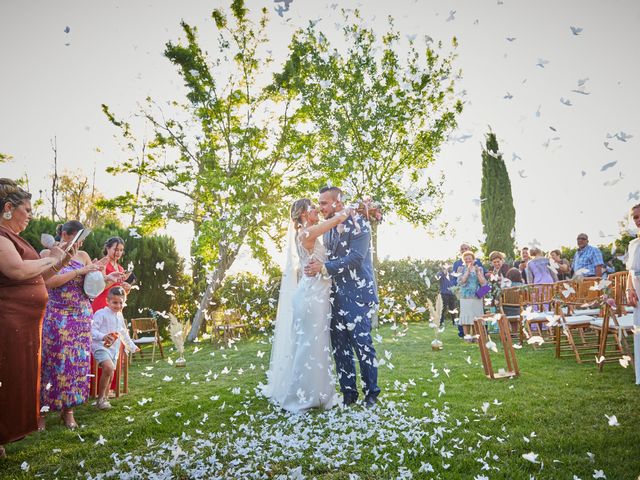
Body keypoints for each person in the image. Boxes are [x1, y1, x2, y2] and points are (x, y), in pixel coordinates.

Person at [0, 178, 73, 458]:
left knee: (15, 381)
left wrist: (62, 261)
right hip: (8, 322)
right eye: (27, 210)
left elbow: (39, 277)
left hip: (25, 326)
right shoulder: (1, 237)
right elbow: (16, 270)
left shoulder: (16, 239)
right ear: (8, 208)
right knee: (5, 380)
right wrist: (51, 258)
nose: (30, 215)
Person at [263, 199, 350, 412]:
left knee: (317, 345)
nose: (316, 210)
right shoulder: (305, 233)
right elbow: (331, 223)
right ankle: (301, 396)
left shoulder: (307, 233)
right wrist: (342, 214)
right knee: (309, 345)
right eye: (312, 207)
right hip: (312, 297)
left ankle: (319, 394)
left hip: (316, 295)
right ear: (302, 213)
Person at [39, 221, 119, 430]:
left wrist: (108, 280)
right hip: (58, 316)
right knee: (53, 364)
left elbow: (92, 288)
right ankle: (42, 413)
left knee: (75, 366)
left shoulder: (82, 255)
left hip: (81, 317)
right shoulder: (47, 253)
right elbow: (49, 282)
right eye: (78, 238)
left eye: (82, 239)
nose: (81, 243)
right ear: (65, 235)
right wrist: (80, 271)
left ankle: (69, 412)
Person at [305, 186, 380, 407]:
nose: (320, 207)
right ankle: (349, 394)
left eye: (324, 203)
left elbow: (356, 258)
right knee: (340, 347)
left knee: (362, 345)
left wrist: (324, 267)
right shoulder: (326, 229)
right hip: (333, 296)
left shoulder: (360, 225)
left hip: (357, 294)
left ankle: (371, 394)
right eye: (319, 203)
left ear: (338, 202)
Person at [91, 286, 139, 410]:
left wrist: (132, 346)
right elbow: (91, 330)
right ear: (108, 301)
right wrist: (103, 336)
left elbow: (123, 333)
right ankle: (100, 398)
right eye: (115, 302)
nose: (118, 305)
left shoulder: (119, 316)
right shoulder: (100, 313)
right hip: (100, 346)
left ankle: (104, 399)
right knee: (109, 367)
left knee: (110, 373)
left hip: (114, 349)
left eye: (120, 303)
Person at [452, 244, 484, 337]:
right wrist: (468, 271)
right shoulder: (461, 269)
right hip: (465, 295)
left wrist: (478, 273)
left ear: (473, 259)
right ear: (463, 260)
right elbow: (461, 282)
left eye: (469, 258)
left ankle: (475, 336)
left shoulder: (479, 268)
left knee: (476, 315)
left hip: (477, 294)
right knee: (466, 315)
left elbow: (483, 283)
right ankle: (467, 336)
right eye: (466, 259)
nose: (468, 260)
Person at [91, 237, 130, 312]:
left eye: (121, 250)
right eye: (116, 249)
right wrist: (115, 280)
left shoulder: (120, 268)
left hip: (115, 307)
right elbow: (100, 288)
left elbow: (118, 292)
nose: (118, 252)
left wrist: (126, 289)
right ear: (107, 248)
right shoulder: (102, 264)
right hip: (102, 305)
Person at [624, 203, 640, 385]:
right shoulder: (633, 244)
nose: (638, 219)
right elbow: (630, 271)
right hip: (637, 293)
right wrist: (629, 290)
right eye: (635, 217)